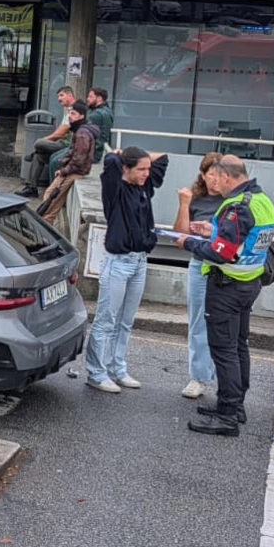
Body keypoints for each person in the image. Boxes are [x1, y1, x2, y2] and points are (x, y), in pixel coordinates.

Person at [179, 155, 274, 436]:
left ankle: (226, 416)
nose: (214, 183)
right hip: (249, 283)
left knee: (224, 351)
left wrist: (189, 242)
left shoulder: (236, 206)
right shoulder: (261, 200)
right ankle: (236, 406)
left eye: (217, 178)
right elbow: (246, 240)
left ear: (226, 176)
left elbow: (222, 253)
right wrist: (214, 231)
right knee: (238, 346)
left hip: (227, 286)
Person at [85, 146, 169, 393]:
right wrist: (120, 155)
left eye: (147, 169)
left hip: (140, 260)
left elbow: (162, 157)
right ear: (126, 169)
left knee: (125, 321)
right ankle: (96, 373)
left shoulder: (144, 187)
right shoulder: (115, 189)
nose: (146, 173)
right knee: (106, 319)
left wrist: (142, 157)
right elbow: (110, 161)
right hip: (118, 262)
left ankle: (117, 368)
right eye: (140, 169)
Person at [172, 153, 222, 400]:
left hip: (225, 268)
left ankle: (225, 377)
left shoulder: (233, 201)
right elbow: (180, 236)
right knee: (197, 323)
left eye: (220, 173)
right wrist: (184, 204)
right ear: (203, 175)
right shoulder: (196, 200)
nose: (215, 179)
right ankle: (199, 376)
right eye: (211, 173)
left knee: (226, 326)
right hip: (199, 265)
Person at [38, 102, 100, 224]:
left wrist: (64, 171)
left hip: (75, 172)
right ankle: (47, 222)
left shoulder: (82, 134)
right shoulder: (82, 130)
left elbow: (79, 159)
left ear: (81, 116)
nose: (70, 116)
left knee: (51, 196)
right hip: (75, 170)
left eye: (73, 113)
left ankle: (44, 223)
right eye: (69, 113)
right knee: (55, 199)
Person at [18, 86, 75, 197]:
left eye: (62, 95)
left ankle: (33, 151)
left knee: (39, 143)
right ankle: (31, 187)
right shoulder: (68, 110)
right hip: (61, 143)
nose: (59, 98)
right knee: (38, 156)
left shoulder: (74, 110)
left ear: (70, 95)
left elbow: (60, 133)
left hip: (66, 145)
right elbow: (59, 131)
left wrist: (43, 140)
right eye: (58, 96)